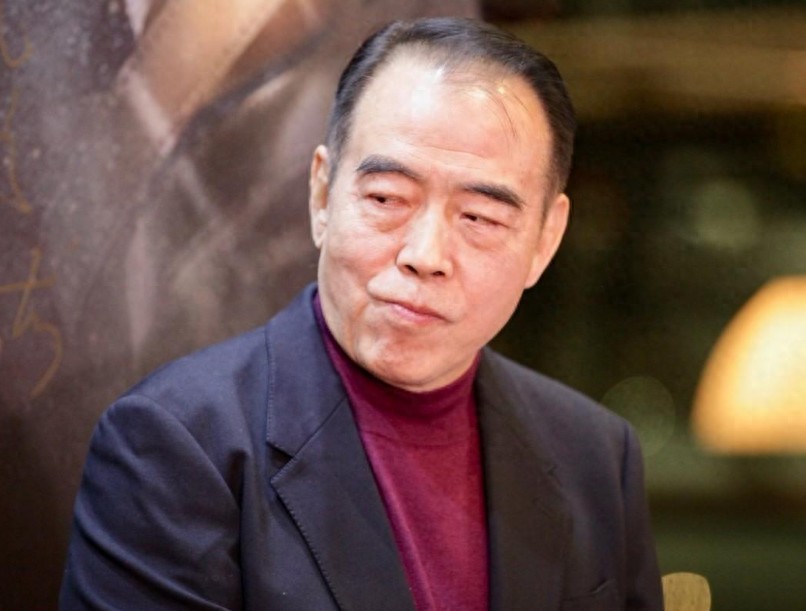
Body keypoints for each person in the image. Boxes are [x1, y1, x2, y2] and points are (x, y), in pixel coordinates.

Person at [60, 17, 663, 611]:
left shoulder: (595, 455)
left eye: (479, 218)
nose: (425, 255)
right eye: (386, 198)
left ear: (545, 241)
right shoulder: (177, 444)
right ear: (322, 195)